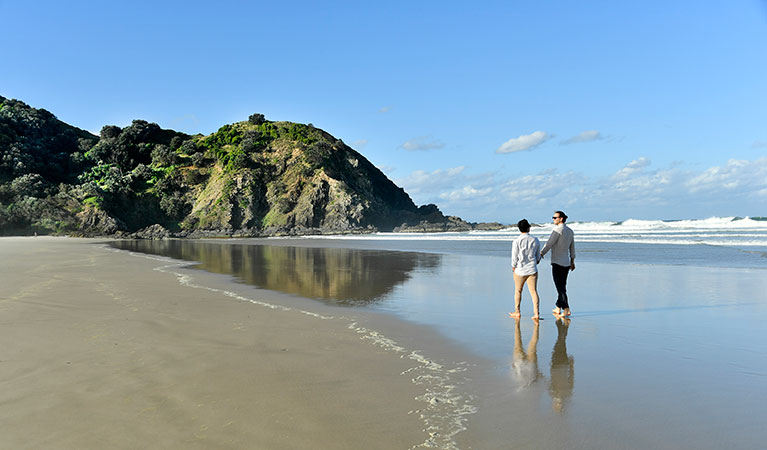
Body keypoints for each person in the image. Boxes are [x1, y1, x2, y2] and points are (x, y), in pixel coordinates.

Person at [541, 210, 575, 317]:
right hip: (566, 263)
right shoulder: (570, 231)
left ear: (561, 219)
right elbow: (572, 248)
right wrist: (572, 261)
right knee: (562, 286)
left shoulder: (557, 230)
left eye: (555, 217)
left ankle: (566, 309)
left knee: (560, 288)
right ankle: (557, 307)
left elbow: (549, 244)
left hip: (557, 262)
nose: (553, 219)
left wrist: (541, 253)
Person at [509, 219, 542, 320]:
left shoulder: (516, 241)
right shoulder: (535, 240)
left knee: (518, 291)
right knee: (534, 292)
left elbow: (514, 256)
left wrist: (513, 266)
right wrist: (536, 261)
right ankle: (536, 313)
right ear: (529, 228)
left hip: (520, 269)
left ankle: (517, 311)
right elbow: (538, 256)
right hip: (532, 269)